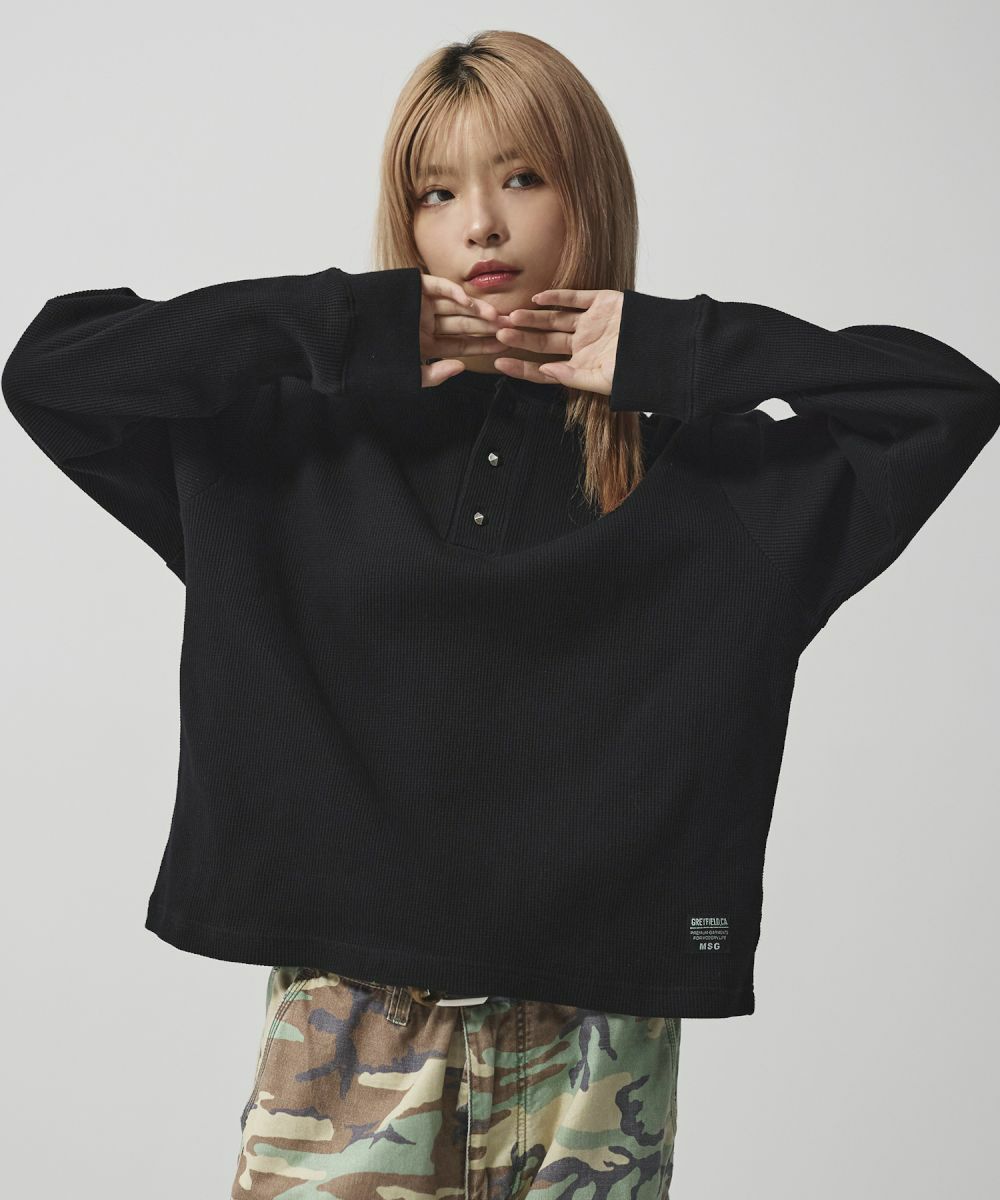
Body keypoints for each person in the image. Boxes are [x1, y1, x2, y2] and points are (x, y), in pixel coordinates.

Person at [3, 29, 997, 1200]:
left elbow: (943, 402)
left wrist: (676, 347)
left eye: (521, 177)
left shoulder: (710, 486)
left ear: (589, 191)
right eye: (437, 192)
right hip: (351, 1035)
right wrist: (344, 329)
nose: (479, 224)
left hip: (595, 1056)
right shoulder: (292, 456)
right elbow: (53, 371)